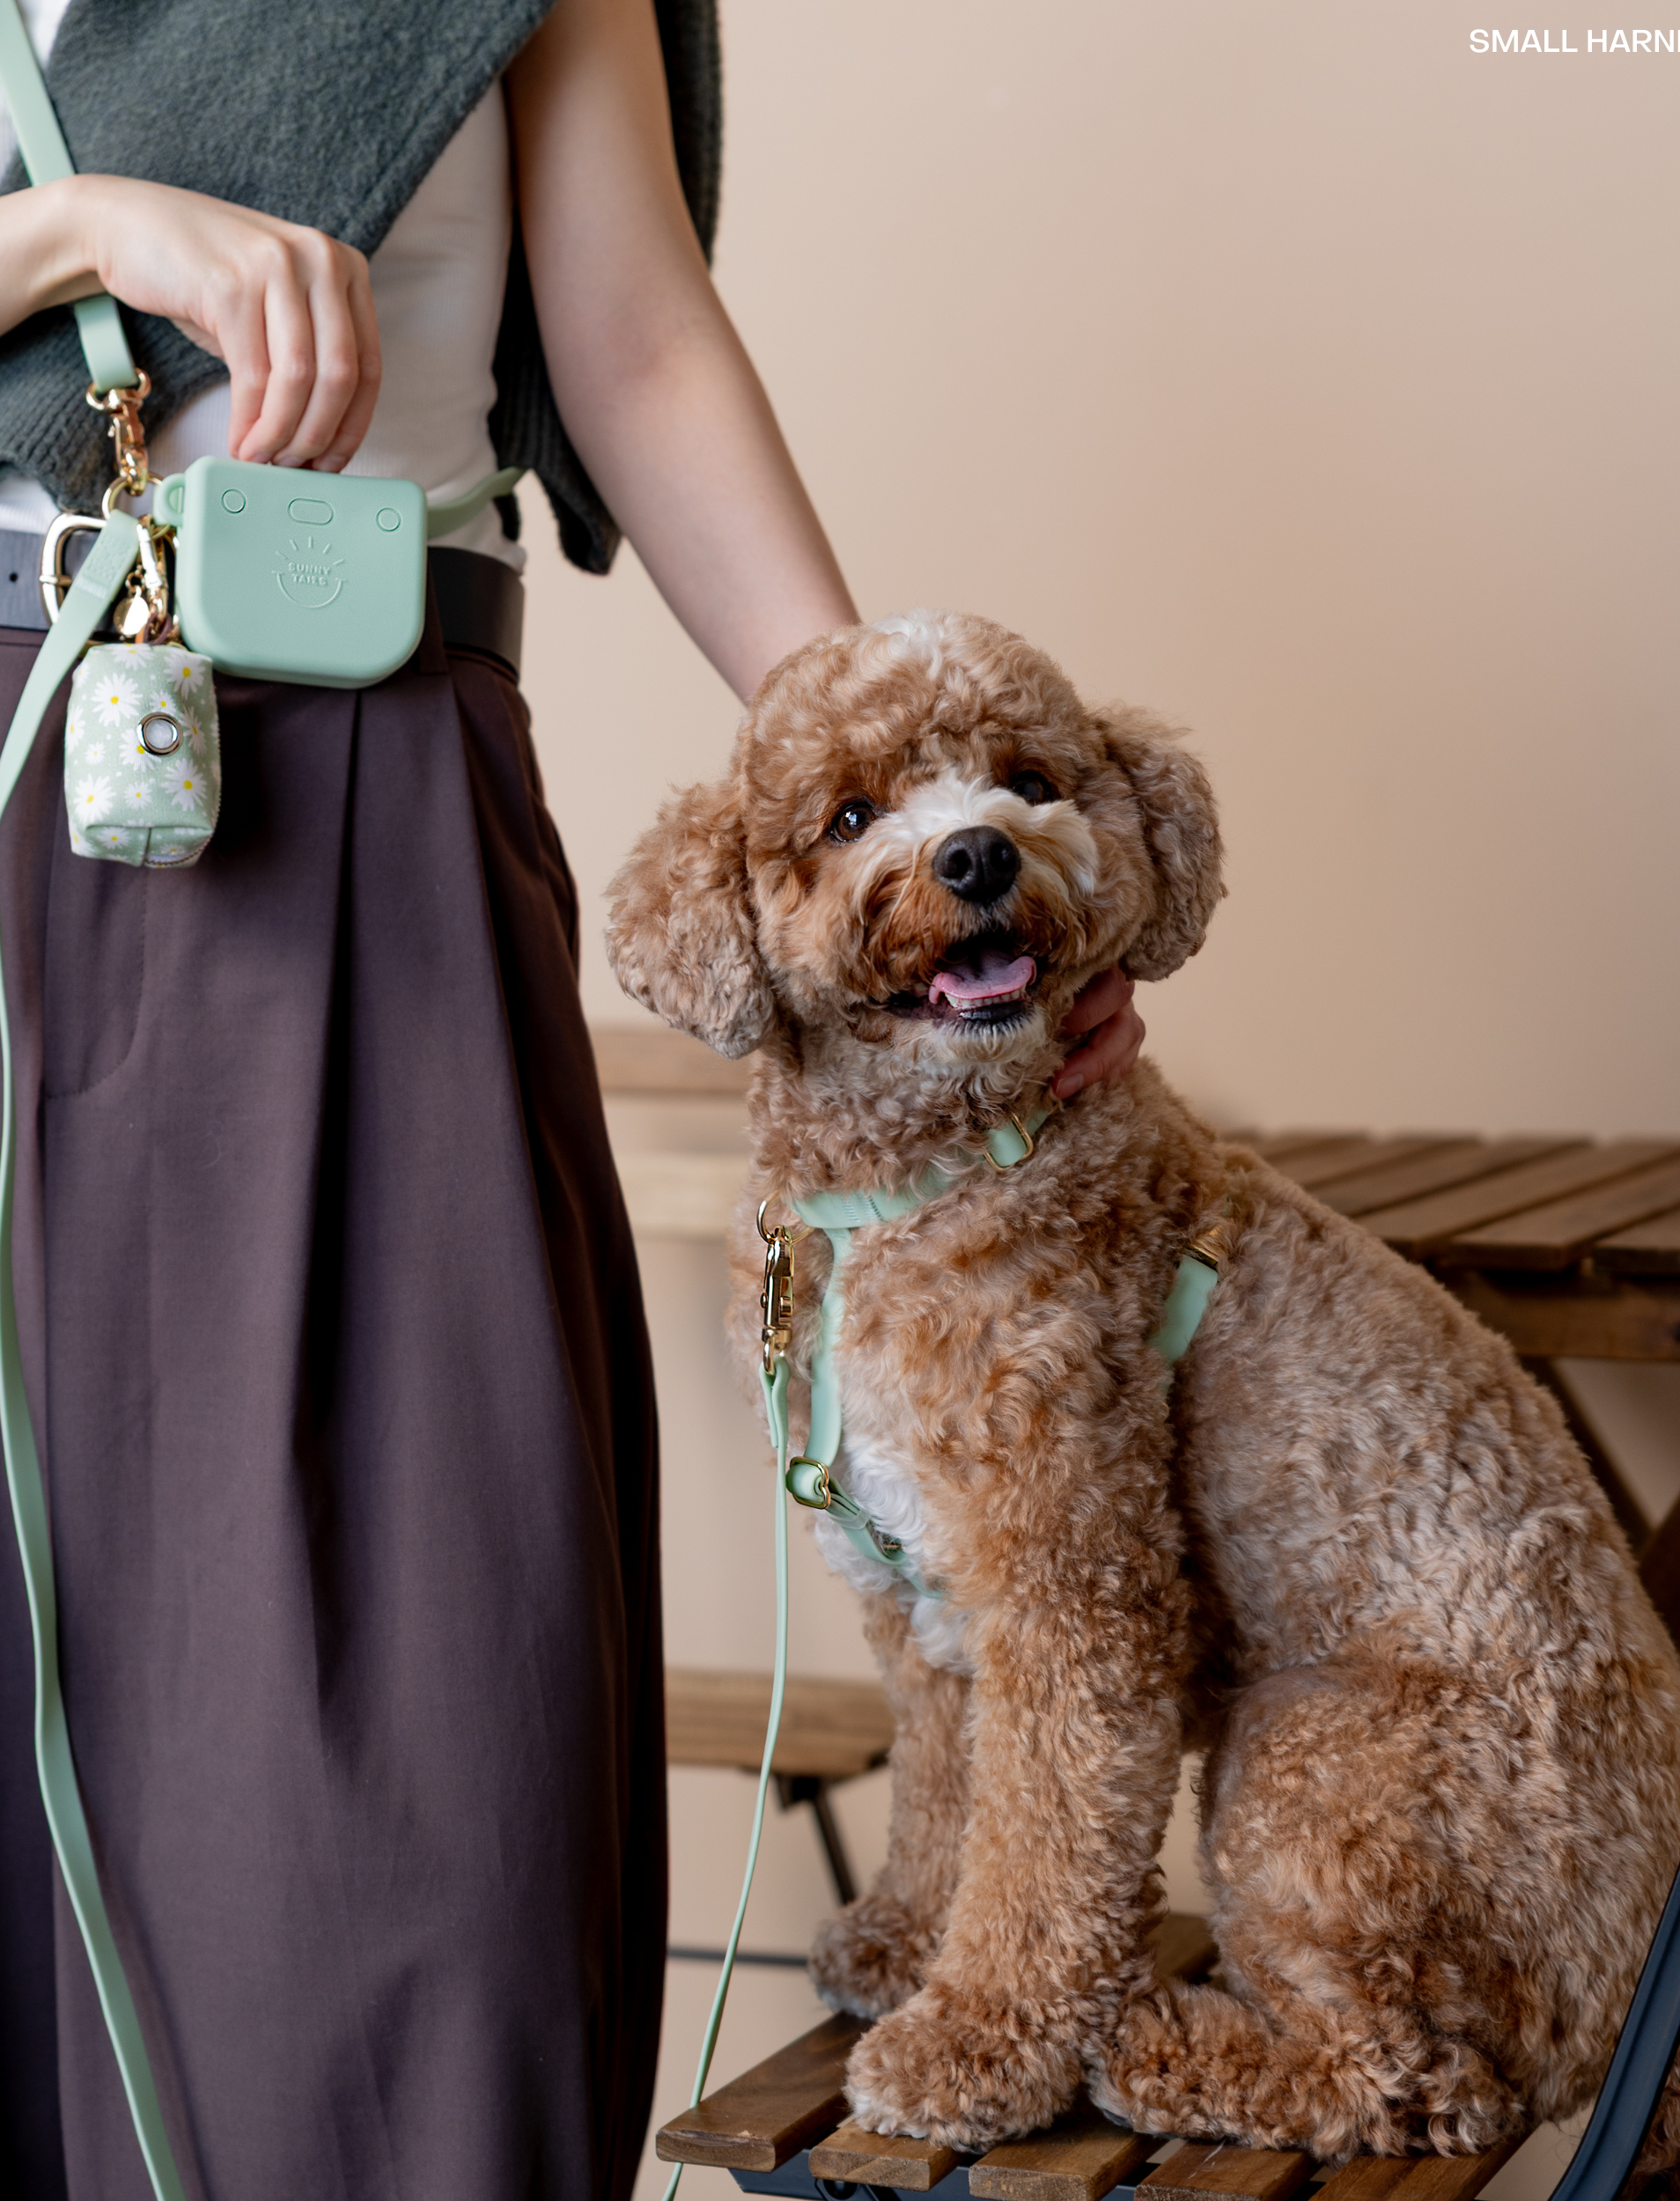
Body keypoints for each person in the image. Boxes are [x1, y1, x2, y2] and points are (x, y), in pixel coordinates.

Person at [0, 1, 1145, 2195]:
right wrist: (81, 227)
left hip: (355, 847)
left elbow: (634, 343)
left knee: (419, 1795)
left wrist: (903, 824)